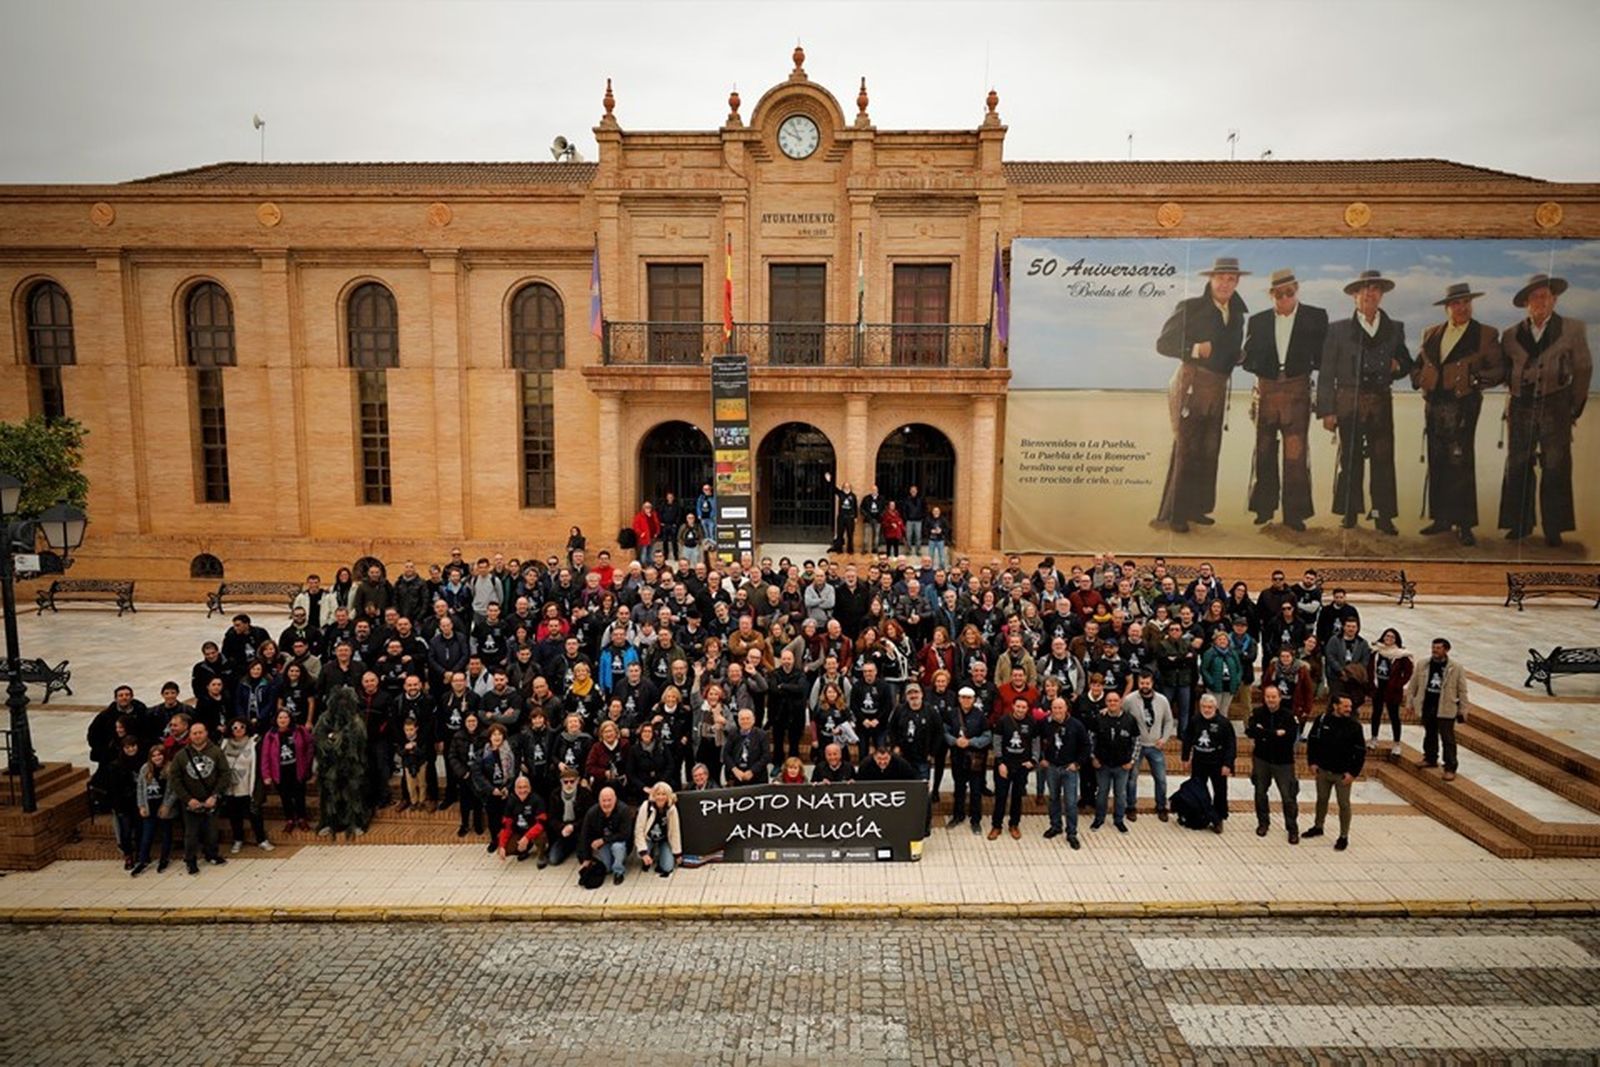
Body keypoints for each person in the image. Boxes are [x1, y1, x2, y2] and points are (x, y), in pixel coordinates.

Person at [1154, 256, 1249, 533]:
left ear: (1237, 282)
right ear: (1211, 279)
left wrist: (1238, 356)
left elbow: (1228, 349)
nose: (1225, 283)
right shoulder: (1191, 307)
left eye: (1231, 279)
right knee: (1187, 448)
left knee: (1209, 449)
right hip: (1191, 385)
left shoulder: (1238, 314)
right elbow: (1164, 344)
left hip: (1217, 388)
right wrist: (1194, 349)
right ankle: (1177, 515)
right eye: (1221, 277)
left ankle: (1197, 509)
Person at [1317, 269, 1412, 535]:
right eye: (1364, 289)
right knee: (1350, 458)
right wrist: (1327, 411)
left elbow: (1407, 363)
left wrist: (1397, 365)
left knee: (1383, 459)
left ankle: (1383, 516)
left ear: (1381, 295)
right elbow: (1326, 374)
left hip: (1381, 401)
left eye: (1375, 289)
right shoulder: (1336, 330)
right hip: (1348, 402)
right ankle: (1349, 514)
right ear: (1354, 296)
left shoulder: (1395, 329)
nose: (1370, 294)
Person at [1499, 273, 1591, 547]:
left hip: (1556, 406)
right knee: (1517, 464)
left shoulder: (1573, 328)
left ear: (1555, 299)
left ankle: (1555, 528)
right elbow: (1504, 370)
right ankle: (1519, 525)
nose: (1541, 301)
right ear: (1526, 302)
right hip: (1521, 406)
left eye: (1546, 296)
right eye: (1535, 297)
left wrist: (1573, 410)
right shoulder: (1510, 335)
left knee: (1556, 465)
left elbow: (1584, 370)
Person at [1413, 282, 1505, 545]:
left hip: (1463, 404)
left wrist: (1474, 380)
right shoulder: (1431, 333)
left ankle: (1465, 525)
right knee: (1437, 458)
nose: (1462, 307)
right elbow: (1417, 366)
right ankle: (1441, 519)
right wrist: (1421, 379)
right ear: (1447, 308)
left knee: (1460, 461)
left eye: (1466, 302)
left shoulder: (1485, 334)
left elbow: (1498, 370)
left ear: (1471, 304)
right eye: (1456, 303)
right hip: (1434, 404)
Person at [1241, 268, 1329, 530]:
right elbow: (1247, 358)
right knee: (1265, 450)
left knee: (1296, 453)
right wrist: (1262, 369)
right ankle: (1264, 509)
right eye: (1279, 294)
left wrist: (1304, 369)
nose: (1284, 298)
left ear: (1297, 290)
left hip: (1298, 391)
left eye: (1289, 292)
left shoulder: (1315, 316)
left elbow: (1325, 357)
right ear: (1271, 295)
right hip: (1266, 391)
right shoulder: (1257, 321)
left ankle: (1295, 514)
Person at [167, 721, 230, 874]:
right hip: (190, 801)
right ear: (190, 735)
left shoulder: (216, 752)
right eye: (194, 733)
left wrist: (215, 795)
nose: (197, 736)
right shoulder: (181, 755)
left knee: (211, 830)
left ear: (206, 733)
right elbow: (174, 778)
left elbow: (225, 774)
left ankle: (211, 854)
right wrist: (187, 799)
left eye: (200, 732)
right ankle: (190, 859)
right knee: (191, 833)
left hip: (210, 799)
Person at [1304, 695, 1365, 851]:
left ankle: (1343, 836)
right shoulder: (1322, 720)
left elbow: (1360, 752)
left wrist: (1353, 773)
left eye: (1350, 706)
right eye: (1345, 706)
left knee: (1343, 804)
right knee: (1322, 799)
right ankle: (1318, 826)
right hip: (1323, 770)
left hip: (1343, 774)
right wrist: (1312, 762)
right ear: (1335, 706)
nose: (1349, 709)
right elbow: (1313, 742)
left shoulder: (1355, 726)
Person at [1404, 637, 1468, 781]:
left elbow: (1462, 690)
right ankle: (1430, 757)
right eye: (1433, 647)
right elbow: (1413, 685)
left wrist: (1463, 709)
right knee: (1430, 733)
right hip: (1428, 704)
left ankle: (1450, 767)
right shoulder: (1423, 664)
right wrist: (1410, 703)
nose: (1435, 650)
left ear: (1446, 650)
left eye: (1438, 648)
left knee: (1447, 738)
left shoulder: (1455, 668)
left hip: (1446, 707)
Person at [1245, 684, 1299, 843]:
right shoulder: (1257, 713)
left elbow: (1289, 738)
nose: (1270, 700)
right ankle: (1263, 823)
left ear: (1280, 698)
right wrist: (1275, 733)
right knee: (1260, 793)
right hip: (1261, 760)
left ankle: (1292, 829)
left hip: (1283, 763)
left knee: (1288, 797)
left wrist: (1264, 733)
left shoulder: (1289, 716)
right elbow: (1251, 732)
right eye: (1268, 697)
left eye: (1274, 697)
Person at [1038, 695, 1090, 848]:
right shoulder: (1045, 724)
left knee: (1071, 802)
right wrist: (1042, 758)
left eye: (1060, 707)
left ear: (1066, 708)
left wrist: (1078, 763)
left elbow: (1086, 745)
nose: (1057, 710)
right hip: (1052, 767)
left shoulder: (1076, 725)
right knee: (1053, 798)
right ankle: (1055, 826)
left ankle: (1072, 833)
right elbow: (1036, 740)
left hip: (1069, 769)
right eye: (1054, 708)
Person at [1181, 693, 1236, 834]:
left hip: (1217, 762)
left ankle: (1218, 819)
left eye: (1210, 707)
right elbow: (1187, 739)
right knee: (1198, 789)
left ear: (1215, 707)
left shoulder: (1223, 723)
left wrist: (1227, 764)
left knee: (1220, 792)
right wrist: (1185, 758)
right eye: (1204, 707)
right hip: (1199, 761)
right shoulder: (1195, 720)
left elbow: (1231, 745)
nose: (1207, 710)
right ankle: (1200, 815)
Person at [1122, 673, 1173, 823]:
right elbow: (1122, 717)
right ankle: (1131, 806)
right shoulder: (1130, 700)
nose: (1145, 686)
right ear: (1138, 683)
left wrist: (1164, 739)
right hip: (1136, 746)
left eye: (1147, 683)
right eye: (1142, 683)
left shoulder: (1162, 700)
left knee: (1161, 779)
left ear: (1152, 683)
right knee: (1132, 779)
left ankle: (1161, 806)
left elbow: (1169, 721)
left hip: (1155, 746)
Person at [942, 686, 991, 833]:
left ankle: (975, 820)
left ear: (974, 699)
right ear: (959, 699)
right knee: (959, 789)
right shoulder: (951, 714)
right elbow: (944, 731)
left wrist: (970, 742)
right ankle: (958, 816)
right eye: (963, 697)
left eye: (969, 698)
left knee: (976, 791)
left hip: (975, 759)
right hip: (958, 757)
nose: (966, 700)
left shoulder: (980, 715)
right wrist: (955, 741)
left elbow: (987, 736)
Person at [219, 718, 272, 854]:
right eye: (235, 728)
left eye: (241, 727)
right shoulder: (224, 744)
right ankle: (238, 839)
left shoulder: (254, 743)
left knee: (255, 814)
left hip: (248, 786)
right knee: (234, 816)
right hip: (230, 788)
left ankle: (261, 839)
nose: (238, 730)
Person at [1090, 690, 1138, 833]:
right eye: (1109, 701)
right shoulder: (1099, 718)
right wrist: (1093, 757)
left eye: (1115, 701)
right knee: (1102, 793)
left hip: (1122, 765)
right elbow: (1091, 739)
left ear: (1120, 702)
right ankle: (1099, 819)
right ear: (1106, 703)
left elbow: (1137, 741)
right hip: (1103, 764)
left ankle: (1119, 821)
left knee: (1120, 794)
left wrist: (1133, 760)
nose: (1112, 703)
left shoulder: (1130, 720)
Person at [988, 697, 1036, 840]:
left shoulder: (1031, 722)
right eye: (1018, 706)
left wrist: (1033, 760)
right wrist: (1000, 762)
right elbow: (997, 742)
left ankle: (1014, 824)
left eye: (1024, 707)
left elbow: (1036, 742)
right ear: (1013, 706)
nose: (1020, 710)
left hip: (1021, 766)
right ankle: (996, 826)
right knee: (1001, 796)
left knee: (1017, 797)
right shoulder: (1003, 721)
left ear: (1027, 709)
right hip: (1004, 765)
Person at [260, 708, 313, 833]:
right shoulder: (270, 735)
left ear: (290, 719)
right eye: (280, 718)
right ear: (276, 720)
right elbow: (265, 755)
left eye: (285, 717)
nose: (283, 720)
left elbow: (309, 745)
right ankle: (290, 819)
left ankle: (301, 818)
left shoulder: (299, 731)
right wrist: (266, 774)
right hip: (280, 771)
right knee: (285, 797)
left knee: (300, 795)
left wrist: (307, 763)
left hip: (297, 769)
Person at [131, 744, 175, 876]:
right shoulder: (145, 768)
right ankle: (143, 860)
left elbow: (174, 790)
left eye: (159, 755)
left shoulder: (170, 769)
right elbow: (140, 788)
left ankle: (164, 858)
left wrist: (167, 805)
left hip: (164, 807)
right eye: (154, 755)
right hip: (149, 806)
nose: (157, 758)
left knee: (166, 834)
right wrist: (141, 805)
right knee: (147, 835)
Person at [1369, 628, 1413, 757]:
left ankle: (1396, 743)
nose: (1389, 639)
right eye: (1387, 636)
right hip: (1378, 688)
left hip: (1393, 690)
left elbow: (1408, 672)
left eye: (1392, 637)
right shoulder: (1377, 651)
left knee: (1394, 716)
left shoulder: (1401, 655)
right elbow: (1370, 667)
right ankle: (1374, 738)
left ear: (1396, 639)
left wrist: (1398, 684)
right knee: (1376, 713)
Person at [472, 723, 516, 853]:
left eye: (499, 734)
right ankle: (494, 840)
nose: (497, 737)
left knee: (508, 817)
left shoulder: (509, 751)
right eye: (494, 734)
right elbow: (477, 774)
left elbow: (514, 772)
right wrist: (492, 789)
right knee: (493, 818)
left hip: (506, 791)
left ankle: (507, 839)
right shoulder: (483, 753)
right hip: (490, 792)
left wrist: (507, 787)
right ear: (489, 737)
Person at [579, 786, 634, 886]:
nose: (606, 804)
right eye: (604, 800)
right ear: (599, 801)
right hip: (604, 843)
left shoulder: (624, 810)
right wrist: (586, 858)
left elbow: (625, 834)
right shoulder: (592, 812)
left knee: (617, 847)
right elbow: (584, 835)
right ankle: (611, 864)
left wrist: (604, 840)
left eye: (609, 800)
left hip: (619, 842)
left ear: (615, 799)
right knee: (607, 868)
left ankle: (619, 871)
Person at [545, 767, 595, 868]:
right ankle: (569, 847)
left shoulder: (585, 794)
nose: (569, 785)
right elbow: (552, 818)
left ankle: (577, 847)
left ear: (578, 781)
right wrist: (561, 828)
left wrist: (573, 826)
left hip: (580, 831)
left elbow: (589, 817)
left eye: (572, 781)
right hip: (562, 832)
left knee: (583, 858)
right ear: (561, 782)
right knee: (553, 860)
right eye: (565, 782)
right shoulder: (555, 795)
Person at [497, 775, 547, 863]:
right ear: (515, 789)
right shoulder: (511, 801)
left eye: (525, 787)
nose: (522, 790)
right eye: (519, 788)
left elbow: (541, 824)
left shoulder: (537, 800)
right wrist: (502, 846)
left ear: (530, 788)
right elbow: (506, 826)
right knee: (506, 848)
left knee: (542, 836)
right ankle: (524, 850)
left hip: (534, 831)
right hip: (519, 832)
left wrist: (526, 838)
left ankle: (542, 854)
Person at [635, 781, 682, 877]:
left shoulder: (672, 809)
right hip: (648, 838)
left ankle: (659, 855)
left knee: (668, 867)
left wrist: (677, 853)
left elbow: (675, 832)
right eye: (658, 794)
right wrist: (643, 853)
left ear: (668, 795)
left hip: (664, 840)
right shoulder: (646, 806)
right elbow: (638, 830)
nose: (660, 797)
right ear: (654, 795)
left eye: (664, 794)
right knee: (640, 854)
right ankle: (649, 854)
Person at [722, 708, 769, 785]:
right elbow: (726, 754)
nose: (745, 721)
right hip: (737, 776)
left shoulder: (762, 735)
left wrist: (752, 771)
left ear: (753, 720)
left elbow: (766, 756)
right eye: (742, 719)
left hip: (757, 777)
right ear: (738, 721)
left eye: (748, 719)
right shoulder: (733, 735)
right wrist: (735, 770)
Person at [821, 471, 858, 553]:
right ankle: (839, 549)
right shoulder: (840, 493)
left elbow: (855, 506)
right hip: (841, 517)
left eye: (848, 486)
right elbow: (833, 488)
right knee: (840, 534)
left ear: (850, 487)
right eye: (845, 486)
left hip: (850, 518)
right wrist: (829, 480)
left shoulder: (853, 496)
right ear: (843, 487)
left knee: (850, 535)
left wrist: (855, 517)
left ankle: (850, 550)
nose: (846, 487)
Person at [859, 484, 884, 554]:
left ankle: (875, 549)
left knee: (876, 536)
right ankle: (865, 549)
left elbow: (884, 509)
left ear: (877, 490)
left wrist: (879, 516)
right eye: (872, 490)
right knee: (866, 536)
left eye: (875, 490)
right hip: (868, 520)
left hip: (878, 520)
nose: (874, 491)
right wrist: (868, 517)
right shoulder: (866, 498)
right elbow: (862, 509)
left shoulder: (881, 498)